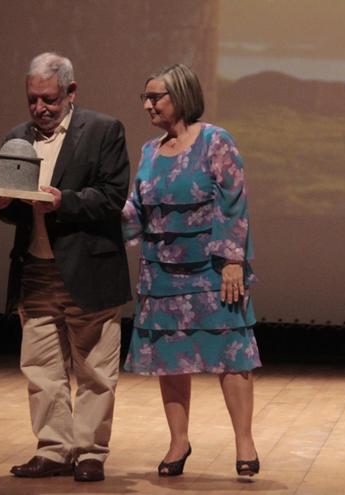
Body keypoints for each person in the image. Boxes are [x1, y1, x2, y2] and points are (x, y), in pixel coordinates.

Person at [0, 52, 131, 482]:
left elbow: (112, 197)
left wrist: (64, 201)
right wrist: (3, 204)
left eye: (48, 99)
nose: (39, 109)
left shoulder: (103, 130)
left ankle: (89, 453)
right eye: (32, 100)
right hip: (36, 269)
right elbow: (18, 214)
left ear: (71, 92)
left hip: (88, 268)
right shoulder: (16, 139)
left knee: (95, 369)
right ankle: (53, 449)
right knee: (42, 368)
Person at [122, 64, 261, 477]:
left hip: (211, 268)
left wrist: (233, 260)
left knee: (231, 352)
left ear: (180, 96)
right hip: (162, 271)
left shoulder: (215, 141)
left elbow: (233, 202)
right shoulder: (149, 151)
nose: (148, 104)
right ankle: (178, 442)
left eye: (156, 97)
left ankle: (244, 442)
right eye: (145, 97)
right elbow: (136, 208)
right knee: (171, 355)